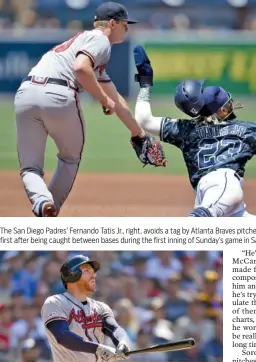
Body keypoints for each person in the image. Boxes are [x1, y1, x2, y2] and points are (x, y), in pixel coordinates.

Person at [133, 45, 256, 217]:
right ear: (222, 110)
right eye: (227, 102)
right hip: (225, 188)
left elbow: (143, 119)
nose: (231, 103)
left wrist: (145, 82)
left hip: (219, 191)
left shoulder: (185, 129)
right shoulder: (250, 131)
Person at [14, 2, 159, 217]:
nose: (127, 28)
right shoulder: (100, 40)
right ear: (111, 23)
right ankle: (48, 215)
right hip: (58, 95)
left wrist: (138, 132)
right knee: (70, 159)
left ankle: (42, 201)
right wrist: (102, 99)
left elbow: (115, 99)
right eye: (124, 24)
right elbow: (81, 68)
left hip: (25, 95)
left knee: (30, 168)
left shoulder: (82, 44)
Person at [40, 254, 131, 362]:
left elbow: (115, 329)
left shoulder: (101, 307)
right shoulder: (55, 303)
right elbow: (62, 336)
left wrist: (121, 343)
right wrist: (99, 348)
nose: (94, 275)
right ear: (73, 274)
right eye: (88, 270)